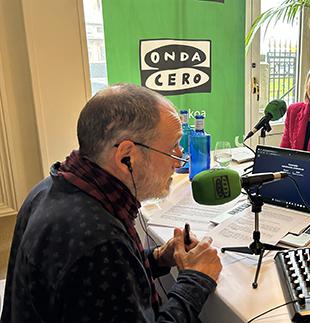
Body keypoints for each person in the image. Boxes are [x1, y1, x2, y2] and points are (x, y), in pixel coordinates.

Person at [0, 84, 222, 322]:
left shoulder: (51, 188)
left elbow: (105, 285)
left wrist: (158, 256)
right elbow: (102, 263)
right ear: (127, 155)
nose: (179, 160)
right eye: (173, 148)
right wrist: (196, 280)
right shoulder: (99, 241)